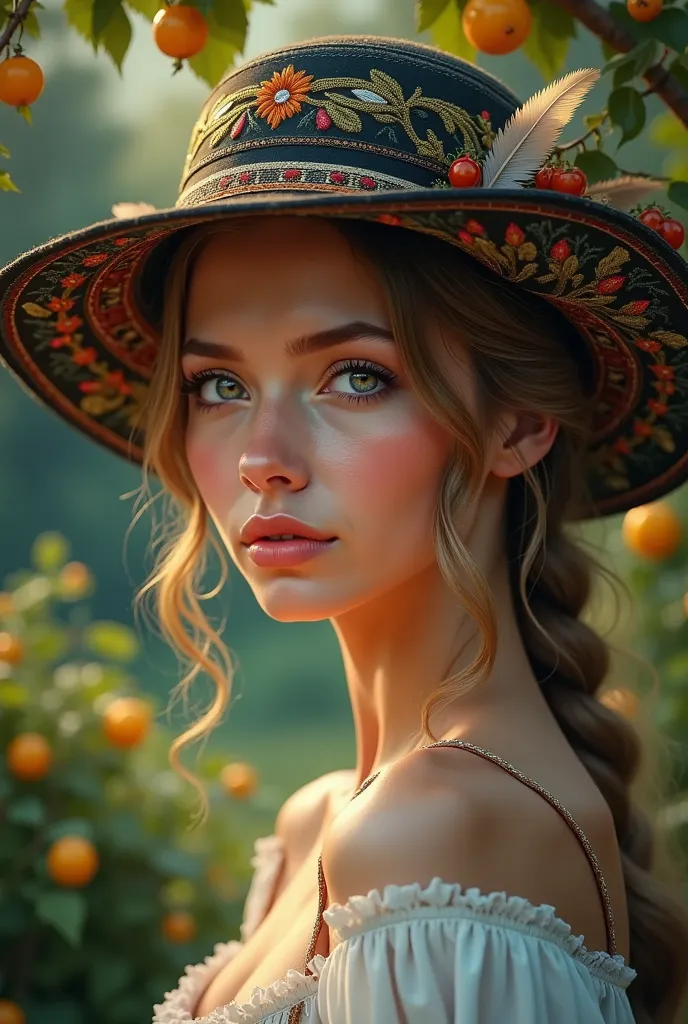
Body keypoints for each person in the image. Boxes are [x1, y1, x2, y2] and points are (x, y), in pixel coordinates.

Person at [1, 33, 687, 1024]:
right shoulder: (326, 816)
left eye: (355, 375)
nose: (262, 455)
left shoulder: (431, 830)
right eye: (218, 385)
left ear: (519, 423)